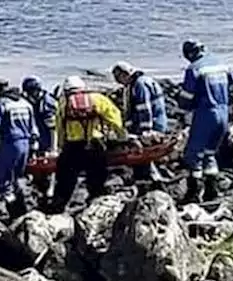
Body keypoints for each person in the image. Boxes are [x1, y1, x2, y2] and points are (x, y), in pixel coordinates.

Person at [177, 40, 233, 203]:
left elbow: (187, 97)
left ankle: (193, 192)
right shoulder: (222, 64)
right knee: (210, 153)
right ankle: (211, 190)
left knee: (193, 155)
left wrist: (181, 111)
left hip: (205, 114)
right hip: (223, 113)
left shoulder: (194, 69)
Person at [50, 76, 125, 212]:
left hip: (73, 146)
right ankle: (96, 204)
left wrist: (61, 147)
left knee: (65, 179)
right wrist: (122, 136)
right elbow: (114, 117)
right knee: (97, 176)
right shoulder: (98, 99)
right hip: (95, 144)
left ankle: (59, 207)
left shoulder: (64, 103)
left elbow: (59, 127)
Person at [111, 61, 169, 189]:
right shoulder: (143, 81)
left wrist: (146, 131)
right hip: (157, 123)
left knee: (142, 155)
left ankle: (151, 182)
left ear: (125, 74)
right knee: (145, 157)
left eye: (119, 78)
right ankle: (154, 179)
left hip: (152, 126)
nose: (119, 82)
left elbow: (144, 108)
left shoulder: (140, 85)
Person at [0, 85, 39, 219]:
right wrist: (33, 149)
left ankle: (14, 212)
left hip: (10, 144)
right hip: (25, 144)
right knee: (18, 177)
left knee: (3, 181)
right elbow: (34, 131)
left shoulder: (1, 104)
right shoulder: (26, 105)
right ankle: (24, 209)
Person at [21, 76, 58, 199]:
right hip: (37, 137)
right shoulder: (32, 101)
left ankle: (51, 190)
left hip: (49, 139)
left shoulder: (47, 104)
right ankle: (39, 188)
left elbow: (54, 129)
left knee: (51, 165)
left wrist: (54, 147)